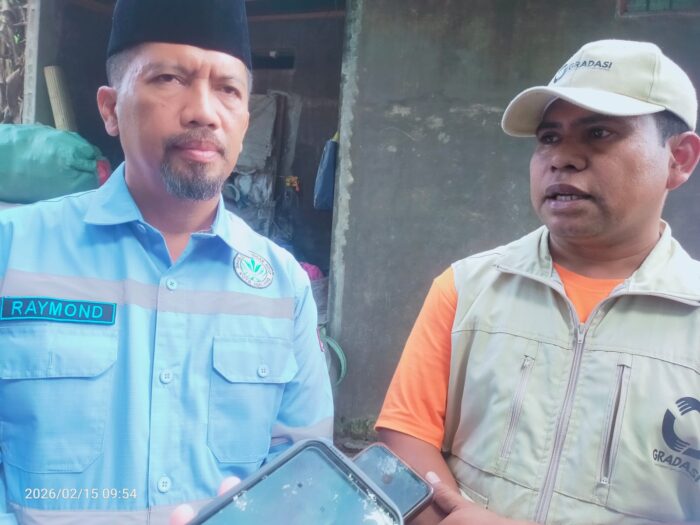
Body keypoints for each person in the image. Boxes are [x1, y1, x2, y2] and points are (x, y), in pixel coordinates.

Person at [0, 0, 333, 523]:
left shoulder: (282, 288)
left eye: (228, 89)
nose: (204, 111)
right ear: (111, 109)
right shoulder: (12, 254)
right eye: (170, 79)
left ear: (245, 120)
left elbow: (303, 479)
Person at [376, 39, 700, 524]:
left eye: (599, 133)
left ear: (679, 158)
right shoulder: (467, 288)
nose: (562, 158)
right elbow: (405, 437)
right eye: (549, 137)